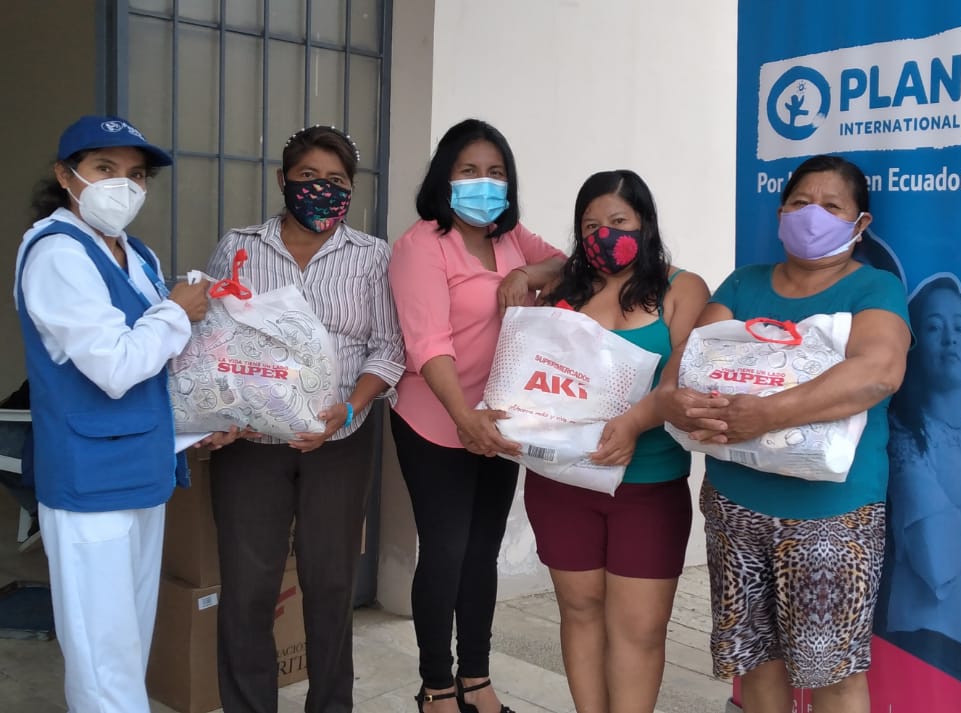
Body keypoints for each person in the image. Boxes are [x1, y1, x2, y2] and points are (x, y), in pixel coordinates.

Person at [656, 154, 911, 713]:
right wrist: (673, 396)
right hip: (734, 505)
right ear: (780, 213)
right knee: (755, 662)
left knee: (832, 674)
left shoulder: (874, 288)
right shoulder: (743, 283)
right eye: (800, 202)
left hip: (831, 516)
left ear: (860, 223)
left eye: (831, 206)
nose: (812, 214)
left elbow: (879, 371)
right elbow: (690, 357)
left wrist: (770, 413)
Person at [13, 115, 214, 713]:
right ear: (65, 175)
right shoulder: (57, 252)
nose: (123, 186)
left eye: (137, 175)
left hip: (140, 468)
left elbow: (159, 365)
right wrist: (177, 311)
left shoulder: (135, 253)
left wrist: (206, 421)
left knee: (128, 639)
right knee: (102, 652)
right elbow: (116, 365)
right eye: (105, 168)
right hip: (89, 479)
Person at [205, 125, 405, 713]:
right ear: (283, 180)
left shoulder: (372, 257)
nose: (322, 189)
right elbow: (212, 337)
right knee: (248, 587)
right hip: (251, 443)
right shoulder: (239, 246)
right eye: (308, 177)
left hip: (339, 440)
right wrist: (219, 410)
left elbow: (388, 348)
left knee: (330, 583)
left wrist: (352, 406)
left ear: (352, 189)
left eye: (336, 180)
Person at [388, 118, 565, 713]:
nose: (483, 183)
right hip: (436, 420)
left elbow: (566, 264)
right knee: (445, 552)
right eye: (469, 171)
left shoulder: (509, 238)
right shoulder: (421, 246)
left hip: (498, 421)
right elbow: (427, 344)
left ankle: (477, 680)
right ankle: (437, 687)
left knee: (482, 552)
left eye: (495, 172)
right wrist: (464, 417)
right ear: (445, 177)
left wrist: (523, 273)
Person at [525, 170, 709, 713]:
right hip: (562, 481)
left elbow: (684, 379)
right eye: (590, 225)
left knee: (639, 629)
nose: (603, 234)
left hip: (648, 484)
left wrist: (633, 424)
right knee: (579, 611)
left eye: (618, 221)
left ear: (645, 224)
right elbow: (532, 375)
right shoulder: (563, 292)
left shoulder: (682, 289)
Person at [880, 274, 961, 692]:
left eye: (960, 328)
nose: (950, 338)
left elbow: (953, 531)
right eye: (933, 327)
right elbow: (933, 543)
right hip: (926, 636)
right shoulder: (899, 435)